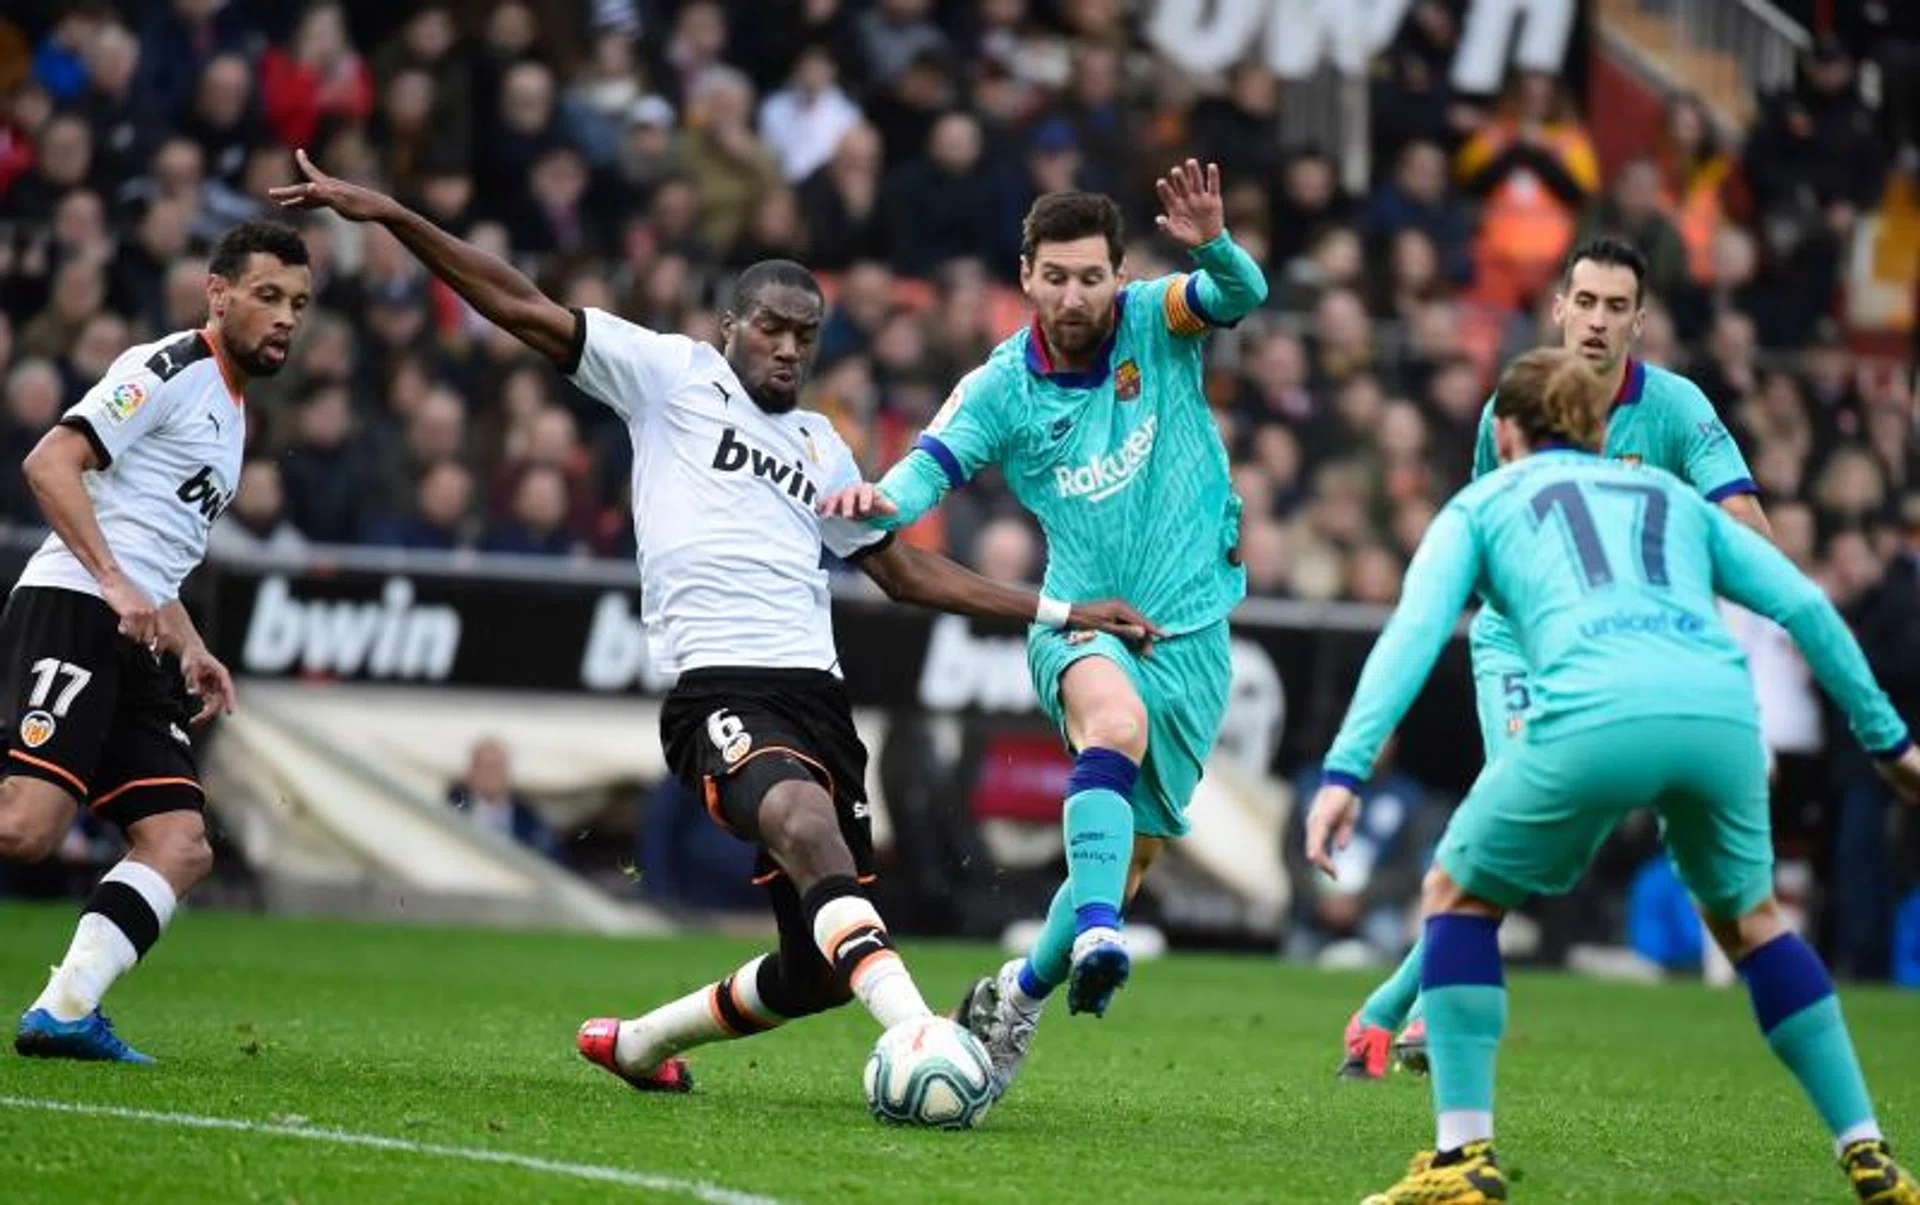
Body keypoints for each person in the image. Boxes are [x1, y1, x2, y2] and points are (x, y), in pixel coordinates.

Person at [270, 151, 1159, 1098]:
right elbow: (521, 304)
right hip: (719, 692)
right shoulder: (668, 376)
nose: (787, 348)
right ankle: (922, 1032)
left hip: (818, 700)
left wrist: (1062, 609)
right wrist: (395, 215)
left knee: (817, 969)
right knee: (798, 818)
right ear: (729, 327)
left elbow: (900, 569)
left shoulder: (820, 443)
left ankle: (641, 1041)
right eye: (770, 328)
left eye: (804, 336)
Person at [1302, 348, 1920, 1204]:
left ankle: (1460, 1161)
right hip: (1718, 709)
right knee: (1756, 923)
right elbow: (1805, 605)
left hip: (1595, 708)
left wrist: (1345, 768)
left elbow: (1413, 632)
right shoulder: (1672, 498)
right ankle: (1868, 1149)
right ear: (1598, 430)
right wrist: (1890, 743)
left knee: (1456, 893)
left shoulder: (1483, 501)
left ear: (1506, 433)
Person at [819, 161, 1268, 1093]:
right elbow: (927, 468)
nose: (1074, 295)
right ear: (1025, 276)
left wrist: (1214, 240)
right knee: (1114, 727)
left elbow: (1241, 292)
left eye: (1091, 276)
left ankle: (1015, 996)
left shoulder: (1159, 318)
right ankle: (1101, 930)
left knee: (1131, 859)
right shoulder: (1000, 391)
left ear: (1117, 275)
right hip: (1080, 621)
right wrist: (877, 497)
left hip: (1193, 632)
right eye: (1055, 277)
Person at [1339, 236, 1775, 1079]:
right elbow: (1480, 516)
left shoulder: (1679, 410)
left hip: (1611, 656)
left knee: (1534, 840)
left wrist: (1751, 585)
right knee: (1516, 811)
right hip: (1516, 640)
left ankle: (1390, 1005)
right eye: (1587, 302)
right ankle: (1412, 1017)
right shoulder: (1517, 403)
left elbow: (1746, 522)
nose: (1599, 321)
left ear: (1639, 323)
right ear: (1559, 309)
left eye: (1618, 307)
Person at [6, 220, 307, 1063]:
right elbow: (49, 463)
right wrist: (110, 579)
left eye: (299, 304)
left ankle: (64, 1009)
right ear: (218, 293)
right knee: (27, 828)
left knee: (179, 843)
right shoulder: (166, 368)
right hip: (74, 606)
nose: (286, 317)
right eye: (268, 296)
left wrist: (191, 645)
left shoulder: (236, 411)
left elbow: (155, 549)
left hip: (138, 634)